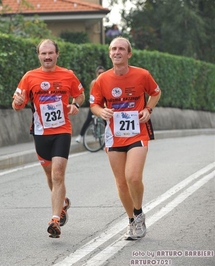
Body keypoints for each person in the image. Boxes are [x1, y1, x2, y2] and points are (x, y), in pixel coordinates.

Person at [90, 37, 161, 240]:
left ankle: (138, 213)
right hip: (114, 136)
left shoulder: (142, 75)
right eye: (113, 49)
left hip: (137, 132)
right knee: (121, 183)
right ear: (109, 53)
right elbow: (94, 104)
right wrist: (100, 112)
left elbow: (156, 93)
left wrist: (148, 109)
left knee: (133, 177)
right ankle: (132, 221)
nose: (117, 52)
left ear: (128, 54)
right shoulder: (102, 80)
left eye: (121, 49)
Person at [12, 39, 85, 238]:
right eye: (43, 54)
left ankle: (55, 219)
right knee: (49, 175)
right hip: (40, 133)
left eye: (50, 53)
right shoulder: (29, 77)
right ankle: (62, 203)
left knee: (58, 174)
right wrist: (17, 102)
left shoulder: (68, 75)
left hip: (62, 131)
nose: (47, 57)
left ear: (57, 54)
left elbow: (80, 95)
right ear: (39, 56)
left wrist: (75, 105)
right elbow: (17, 103)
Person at [76, 66, 106, 143]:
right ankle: (80, 136)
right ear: (96, 74)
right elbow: (91, 94)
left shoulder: (107, 81)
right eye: (99, 73)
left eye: (102, 73)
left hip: (104, 104)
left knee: (106, 120)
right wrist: (92, 104)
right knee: (88, 119)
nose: (101, 74)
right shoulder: (94, 82)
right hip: (95, 104)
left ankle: (107, 138)